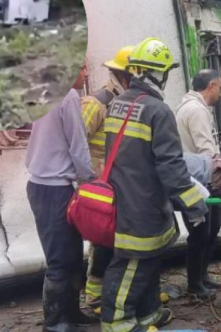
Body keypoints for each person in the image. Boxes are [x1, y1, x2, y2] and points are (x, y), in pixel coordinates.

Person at [100, 37, 209, 332]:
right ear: (160, 73)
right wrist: (194, 204)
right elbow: (171, 167)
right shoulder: (158, 112)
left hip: (122, 199)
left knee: (146, 262)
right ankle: (117, 323)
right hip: (144, 205)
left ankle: (148, 314)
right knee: (131, 265)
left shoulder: (118, 104)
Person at [25, 87, 98, 331]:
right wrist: (90, 180)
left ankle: (71, 314)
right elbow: (78, 143)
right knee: (60, 259)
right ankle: (55, 323)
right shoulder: (66, 95)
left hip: (45, 185)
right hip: (54, 186)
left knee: (72, 256)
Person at [78, 46, 135, 313]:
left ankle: (115, 293)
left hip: (121, 184)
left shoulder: (127, 102)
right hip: (101, 187)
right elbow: (77, 146)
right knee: (102, 242)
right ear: (125, 77)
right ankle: (95, 298)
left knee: (119, 241)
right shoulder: (96, 102)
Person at [175, 69, 221, 300]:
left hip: (199, 178)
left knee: (210, 230)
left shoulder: (192, 107)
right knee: (200, 233)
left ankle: (202, 276)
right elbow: (206, 149)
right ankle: (195, 284)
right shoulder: (196, 110)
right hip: (200, 181)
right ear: (212, 86)